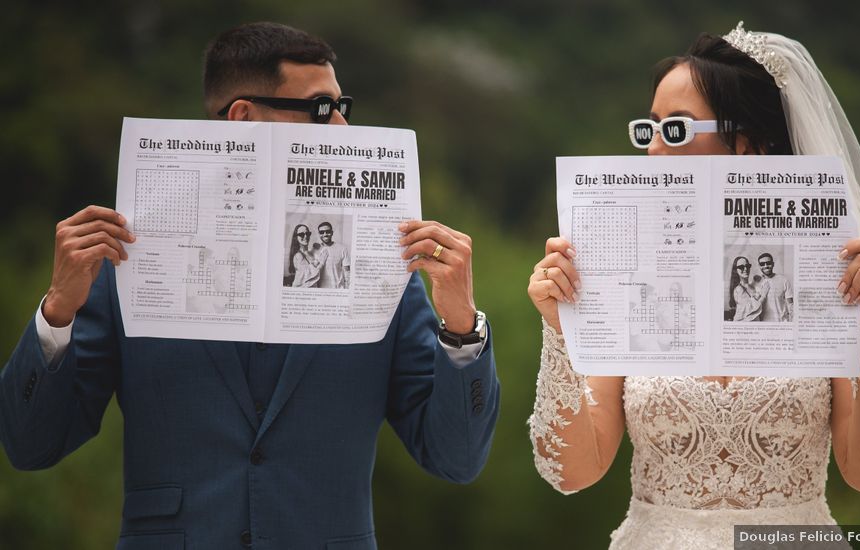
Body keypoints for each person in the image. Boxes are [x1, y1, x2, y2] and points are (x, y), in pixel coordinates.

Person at [0, 22, 497, 550]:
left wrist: (461, 328)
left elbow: (457, 459)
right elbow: (30, 445)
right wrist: (57, 313)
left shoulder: (381, 257)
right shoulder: (130, 253)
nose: (341, 129)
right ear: (242, 117)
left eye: (343, 108)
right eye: (320, 108)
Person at [528, 22, 860, 549]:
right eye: (648, 129)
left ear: (748, 145)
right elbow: (573, 473)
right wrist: (559, 332)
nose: (653, 151)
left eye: (675, 130)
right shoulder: (622, 264)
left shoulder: (828, 264)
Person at [756, 252, 793, 321]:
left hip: (782, 323)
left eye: (768, 263)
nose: (766, 266)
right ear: (759, 266)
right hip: (764, 325)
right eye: (762, 264)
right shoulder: (756, 283)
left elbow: (790, 304)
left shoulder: (783, 280)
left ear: (773, 264)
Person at [315, 221, 350, 288]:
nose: (325, 234)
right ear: (319, 234)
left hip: (338, 289)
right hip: (320, 291)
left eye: (327, 231)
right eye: (322, 232)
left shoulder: (342, 249)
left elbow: (347, 272)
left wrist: (347, 289)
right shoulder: (315, 250)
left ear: (332, 232)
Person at [729, 255, 764, 321]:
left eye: (747, 266)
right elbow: (748, 309)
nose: (745, 269)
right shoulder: (738, 290)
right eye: (741, 267)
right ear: (735, 270)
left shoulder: (752, 286)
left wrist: (755, 281)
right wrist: (760, 295)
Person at [287, 223, 322, 287]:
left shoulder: (309, 253)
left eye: (307, 234)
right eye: (301, 234)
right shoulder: (298, 256)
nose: (305, 236)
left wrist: (315, 249)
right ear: (296, 238)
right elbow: (310, 275)